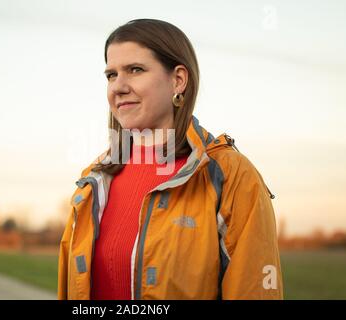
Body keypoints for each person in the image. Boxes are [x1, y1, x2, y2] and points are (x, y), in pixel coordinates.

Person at [58, 18, 283, 300]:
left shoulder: (230, 175)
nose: (118, 87)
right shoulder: (94, 180)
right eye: (111, 75)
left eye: (135, 70)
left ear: (178, 80)